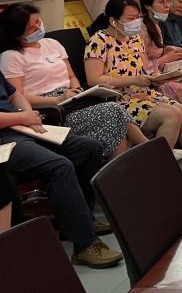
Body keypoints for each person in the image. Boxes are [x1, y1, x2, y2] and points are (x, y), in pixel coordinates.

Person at [0, 69, 123, 267]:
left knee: (89, 149)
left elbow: (15, 95)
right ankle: (85, 244)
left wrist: (28, 114)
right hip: (4, 139)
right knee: (59, 166)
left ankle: (81, 220)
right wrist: (21, 118)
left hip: (21, 127)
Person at [84, 0, 182, 182]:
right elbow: (94, 79)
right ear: (113, 21)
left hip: (143, 93)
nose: (136, 23)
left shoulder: (135, 38)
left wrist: (155, 78)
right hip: (119, 99)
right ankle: (155, 171)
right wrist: (133, 79)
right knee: (172, 115)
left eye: (137, 17)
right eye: (130, 18)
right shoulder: (99, 41)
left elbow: (142, 69)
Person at [0, 3, 145, 159]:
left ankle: (125, 169)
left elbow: (71, 77)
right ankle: (149, 150)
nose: (38, 27)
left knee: (116, 124)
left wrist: (77, 91)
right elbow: (17, 96)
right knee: (114, 110)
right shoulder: (12, 56)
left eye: (38, 21)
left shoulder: (52, 44)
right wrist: (57, 100)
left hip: (73, 99)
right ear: (17, 34)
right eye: (31, 28)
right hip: (49, 109)